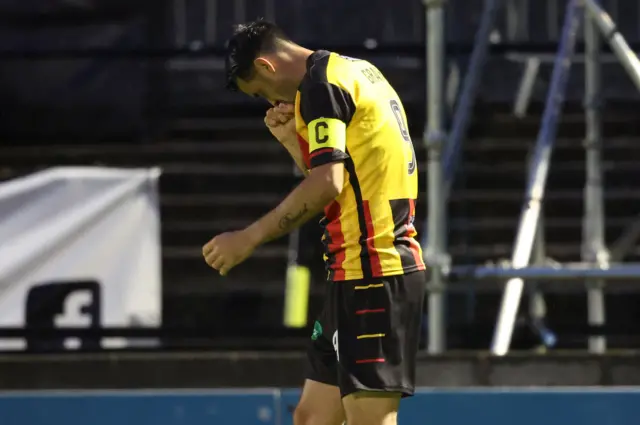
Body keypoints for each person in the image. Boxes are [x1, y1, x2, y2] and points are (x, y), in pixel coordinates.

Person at [202, 19, 426, 425]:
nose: (270, 102)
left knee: (370, 420)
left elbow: (328, 184)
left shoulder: (320, 86)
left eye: (261, 92)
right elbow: (346, 178)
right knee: (311, 419)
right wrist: (293, 140)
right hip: (353, 272)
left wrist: (248, 238)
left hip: (375, 272)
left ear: (268, 67)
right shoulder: (355, 70)